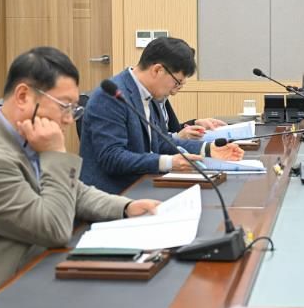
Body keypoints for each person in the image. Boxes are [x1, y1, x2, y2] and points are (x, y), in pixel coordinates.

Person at [0, 47, 161, 291]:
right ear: (23, 96)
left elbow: (74, 191)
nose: (70, 119)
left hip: (41, 264)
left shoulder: (24, 134)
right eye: (64, 106)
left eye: (74, 109)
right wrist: (55, 154)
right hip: (3, 292)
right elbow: (54, 229)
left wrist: (125, 207)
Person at [79, 37, 244, 194]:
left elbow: (160, 142)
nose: (174, 91)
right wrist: (168, 162)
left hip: (145, 184)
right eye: (176, 82)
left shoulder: (149, 93)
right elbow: (112, 158)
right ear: (157, 70)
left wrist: (208, 149)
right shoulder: (112, 96)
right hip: (116, 194)